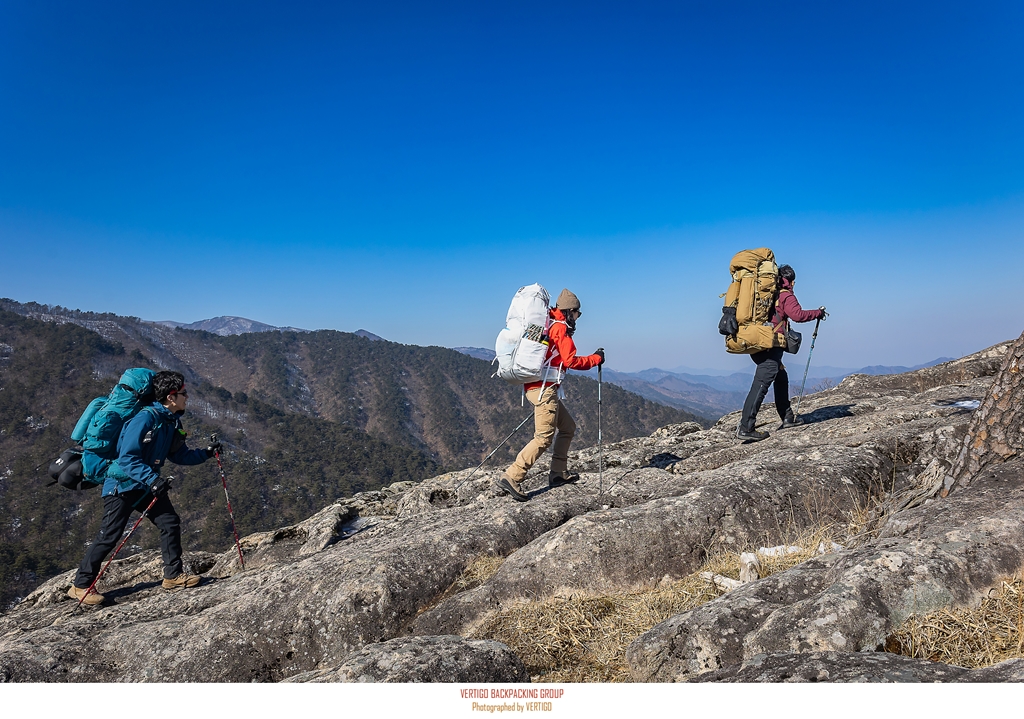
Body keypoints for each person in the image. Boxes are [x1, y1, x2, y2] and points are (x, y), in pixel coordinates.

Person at [67, 371, 221, 605]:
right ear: (170, 397)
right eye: (183, 393)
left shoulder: (171, 420)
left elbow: (179, 455)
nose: (187, 397)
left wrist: (207, 454)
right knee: (109, 536)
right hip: (122, 485)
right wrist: (152, 479)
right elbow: (128, 459)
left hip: (146, 485)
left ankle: (173, 576)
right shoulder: (144, 419)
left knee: (169, 522)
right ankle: (80, 585)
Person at [495, 289, 604, 502]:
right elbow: (571, 361)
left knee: (568, 427)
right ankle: (512, 476)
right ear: (570, 312)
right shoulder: (560, 329)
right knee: (543, 437)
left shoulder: (548, 324)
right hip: (544, 390)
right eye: (577, 314)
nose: (577, 318)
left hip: (537, 387)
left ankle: (558, 473)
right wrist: (595, 359)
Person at [737, 264, 826, 441]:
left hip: (758, 342)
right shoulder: (785, 295)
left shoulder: (767, 294)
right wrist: (818, 313)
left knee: (781, 376)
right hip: (771, 345)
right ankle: (746, 427)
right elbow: (798, 315)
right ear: (791, 281)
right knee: (761, 384)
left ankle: (787, 417)